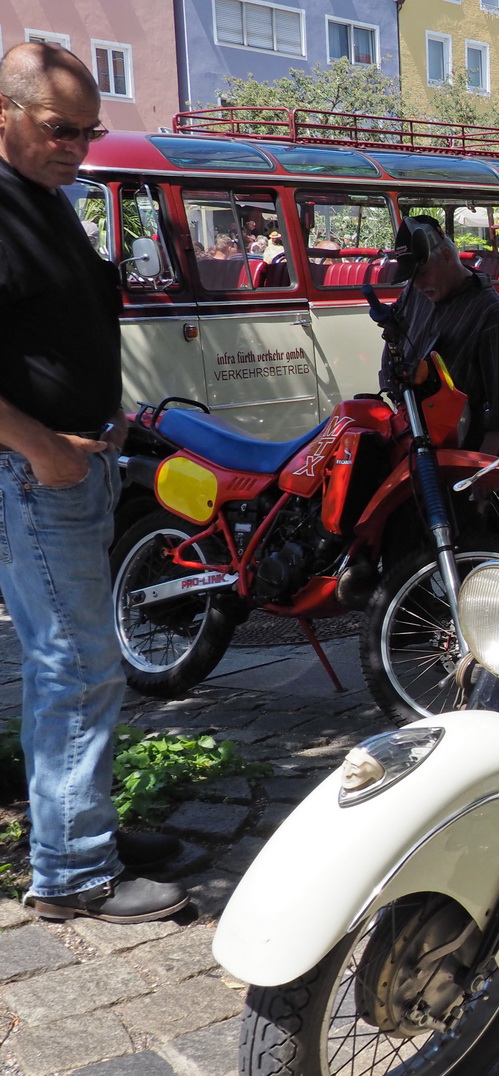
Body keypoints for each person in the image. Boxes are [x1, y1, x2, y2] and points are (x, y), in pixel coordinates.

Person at [0, 44, 187, 922]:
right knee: (75, 664)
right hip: (39, 474)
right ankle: (72, 870)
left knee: (82, 663)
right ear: (5, 112)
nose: (77, 146)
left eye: (88, 131)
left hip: (76, 462)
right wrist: (44, 446)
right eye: (57, 129)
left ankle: (86, 829)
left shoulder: (43, 199)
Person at [388, 216, 499, 453]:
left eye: (422, 273)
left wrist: (481, 471)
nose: (417, 284)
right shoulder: (412, 296)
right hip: (411, 438)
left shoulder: (491, 313)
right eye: (411, 277)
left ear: (447, 257)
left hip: (461, 449)